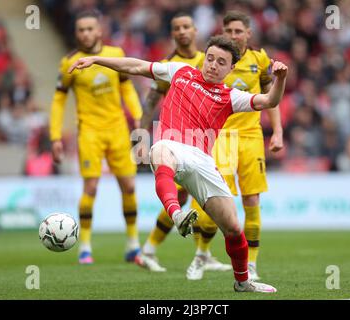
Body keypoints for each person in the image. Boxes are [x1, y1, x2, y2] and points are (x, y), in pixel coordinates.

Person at [68, 35, 288, 292]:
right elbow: (136, 66)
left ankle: (242, 281)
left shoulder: (232, 96)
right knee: (159, 150)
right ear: (204, 58)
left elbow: (269, 101)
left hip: (203, 161)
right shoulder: (180, 72)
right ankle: (177, 214)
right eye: (210, 58)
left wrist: (280, 78)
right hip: (171, 146)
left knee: (233, 227)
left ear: (230, 69)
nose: (213, 65)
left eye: (221, 62)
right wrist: (96, 59)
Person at [185, 11, 284, 281]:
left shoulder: (259, 59)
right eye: (228, 31)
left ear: (248, 33)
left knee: (252, 200)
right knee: (214, 204)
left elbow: (269, 98)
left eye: (238, 31)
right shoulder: (213, 62)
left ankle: (251, 265)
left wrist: (277, 131)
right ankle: (201, 254)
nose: (233, 36)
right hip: (220, 139)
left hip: (251, 137)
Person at [49, 9, 144, 265]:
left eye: (90, 28)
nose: (86, 33)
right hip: (89, 132)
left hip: (117, 131)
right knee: (91, 187)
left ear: (99, 30)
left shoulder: (116, 55)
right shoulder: (69, 62)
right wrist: (55, 136)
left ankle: (133, 244)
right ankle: (85, 247)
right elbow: (59, 100)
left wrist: (137, 115)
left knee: (130, 186)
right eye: (81, 30)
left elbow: (127, 87)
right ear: (76, 33)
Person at [138, 12, 230, 273]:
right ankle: (158, 249)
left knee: (190, 196)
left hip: (205, 138)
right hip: (177, 139)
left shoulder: (208, 59)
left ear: (195, 30)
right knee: (193, 195)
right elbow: (152, 100)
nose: (182, 31)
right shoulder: (172, 64)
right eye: (176, 28)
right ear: (172, 33)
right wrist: (140, 133)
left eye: (186, 26)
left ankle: (170, 250)